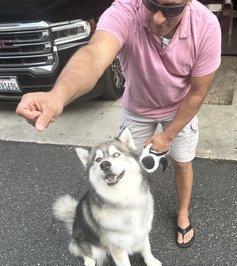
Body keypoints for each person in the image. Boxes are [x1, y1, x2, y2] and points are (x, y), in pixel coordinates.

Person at [16, 0, 221, 248]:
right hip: (137, 108)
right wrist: (57, 95)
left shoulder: (206, 26)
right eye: (152, 4)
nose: (157, 18)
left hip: (180, 109)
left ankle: (183, 213)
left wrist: (167, 136)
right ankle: (128, 216)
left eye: (171, 9)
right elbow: (94, 54)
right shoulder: (124, 10)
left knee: (181, 162)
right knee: (123, 169)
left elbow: (198, 94)